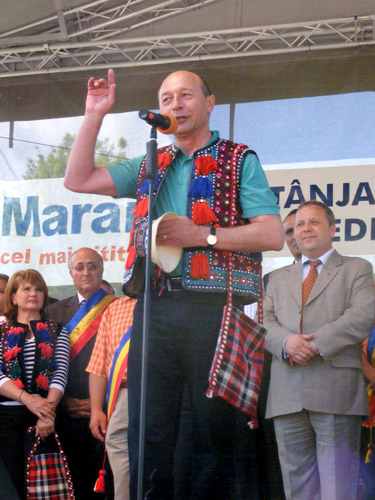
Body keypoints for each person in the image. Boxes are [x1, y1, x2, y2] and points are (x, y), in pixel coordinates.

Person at [63, 68, 284, 499]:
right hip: (155, 305)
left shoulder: (239, 159)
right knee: (149, 430)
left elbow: (272, 234)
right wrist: (94, 115)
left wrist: (202, 236)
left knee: (213, 431)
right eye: (166, 99)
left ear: (209, 102)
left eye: (185, 96)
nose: (175, 105)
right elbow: (78, 179)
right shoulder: (151, 162)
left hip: (213, 308)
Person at [264, 200, 375, 500]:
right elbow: (263, 323)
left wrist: (312, 345)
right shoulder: (276, 278)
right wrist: (287, 343)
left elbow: (362, 316)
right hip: (287, 395)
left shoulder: (358, 268)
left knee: (338, 489)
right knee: (297, 488)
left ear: (333, 229)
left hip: (336, 392)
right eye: (299, 225)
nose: (305, 229)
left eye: (313, 222)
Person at [47, 247, 117, 500]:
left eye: (92, 266)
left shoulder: (118, 308)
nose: (86, 272)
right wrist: (63, 402)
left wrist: (103, 402)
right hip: (66, 410)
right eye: (80, 267)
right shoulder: (53, 312)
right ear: (71, 273)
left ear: (101, 270)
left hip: (109, 410)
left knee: (106, 482)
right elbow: (48, 365)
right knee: (71, 483)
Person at [0, 269, 70, 500]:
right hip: (7, 418)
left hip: (45, 417)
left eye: (39, 289)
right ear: (13, 297)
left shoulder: (57, 330)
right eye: (27, 289)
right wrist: (27, 399)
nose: (34, 293)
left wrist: (46, 413)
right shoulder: (1, 331)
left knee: (44, 488)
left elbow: (60, 373)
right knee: (11, 485)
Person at [88, 296, 136, 500]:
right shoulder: (115, 307)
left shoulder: (168, 301)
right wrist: (96, 409)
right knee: (116, 439)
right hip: (122, 392)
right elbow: (99, 365)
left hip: (164, 388)